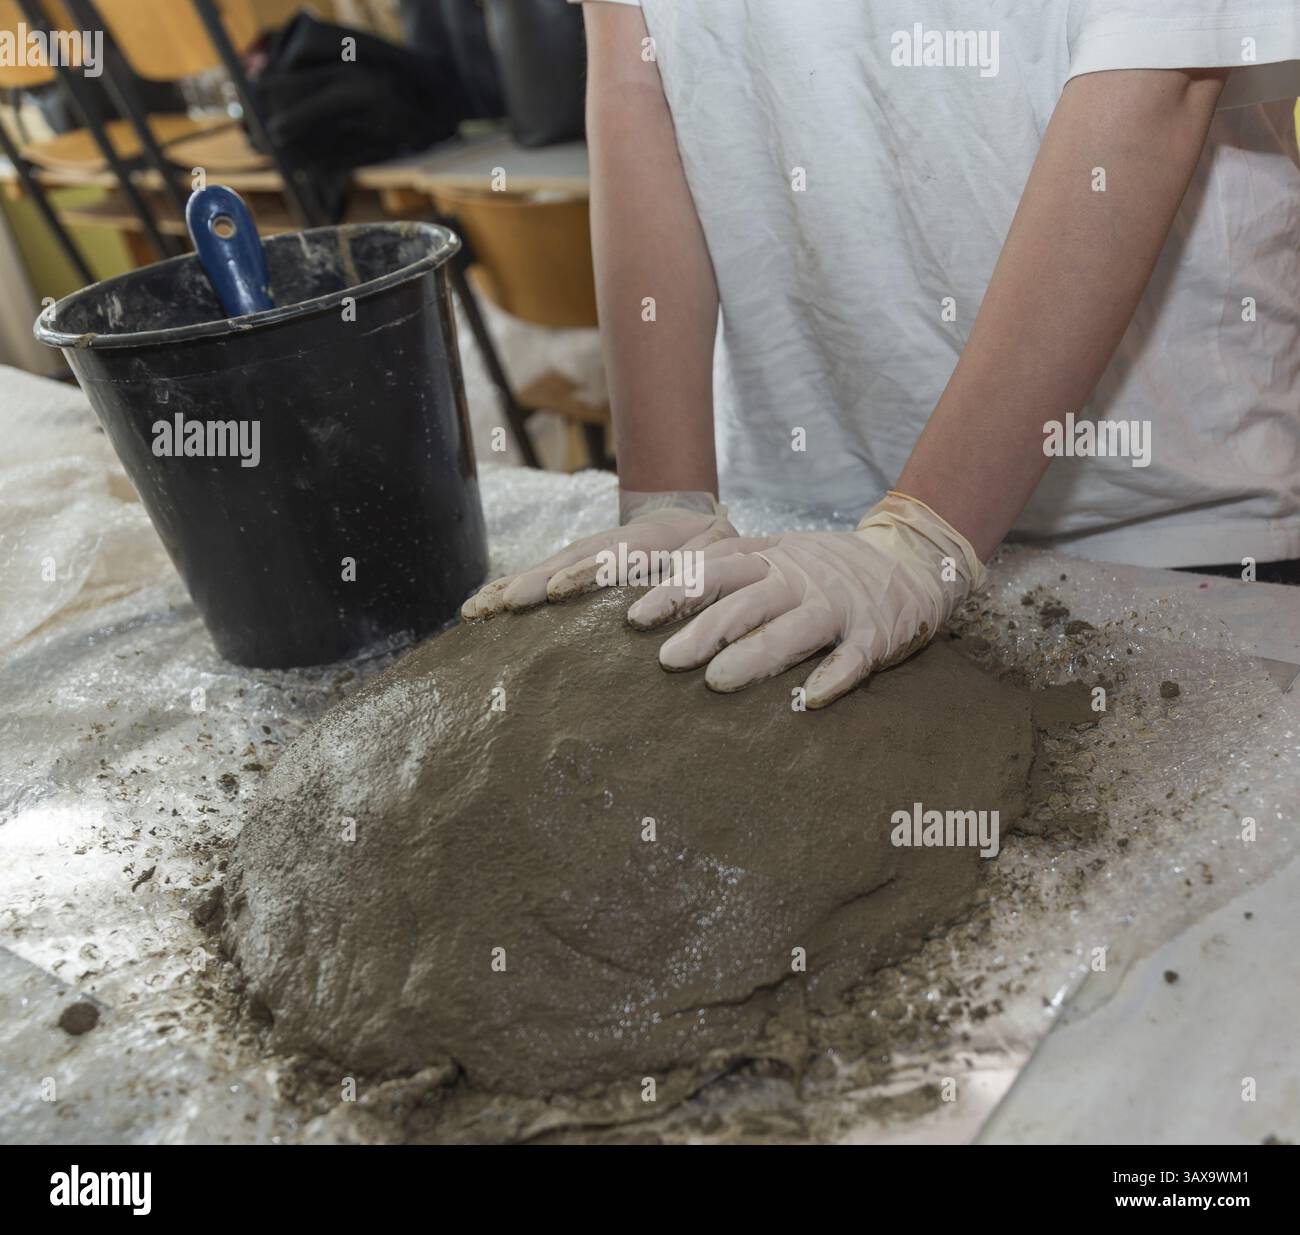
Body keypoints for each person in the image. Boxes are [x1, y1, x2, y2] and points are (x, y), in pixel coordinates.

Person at [463, 0, 1300, 707]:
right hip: (798, 530)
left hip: (1158, 523)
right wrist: (665, 497)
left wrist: (924, 534)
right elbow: (637, 77)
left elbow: (1161, 72)